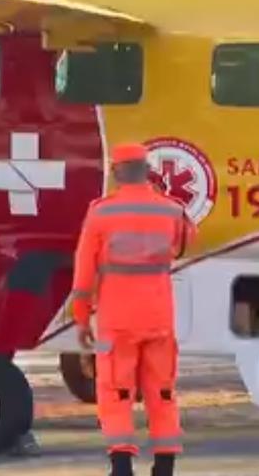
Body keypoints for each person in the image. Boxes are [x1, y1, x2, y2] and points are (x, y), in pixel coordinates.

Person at [70, 143, 196, 476]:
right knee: (163, 391)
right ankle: (165, 464)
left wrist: (82, 318)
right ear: (147, 171)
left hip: (116, 322)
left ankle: (122, 465)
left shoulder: (101, 212)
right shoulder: (171, 210)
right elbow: (184, 244)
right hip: (159, 319)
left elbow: (84, 273)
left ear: (116, 173)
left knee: (115, 391)